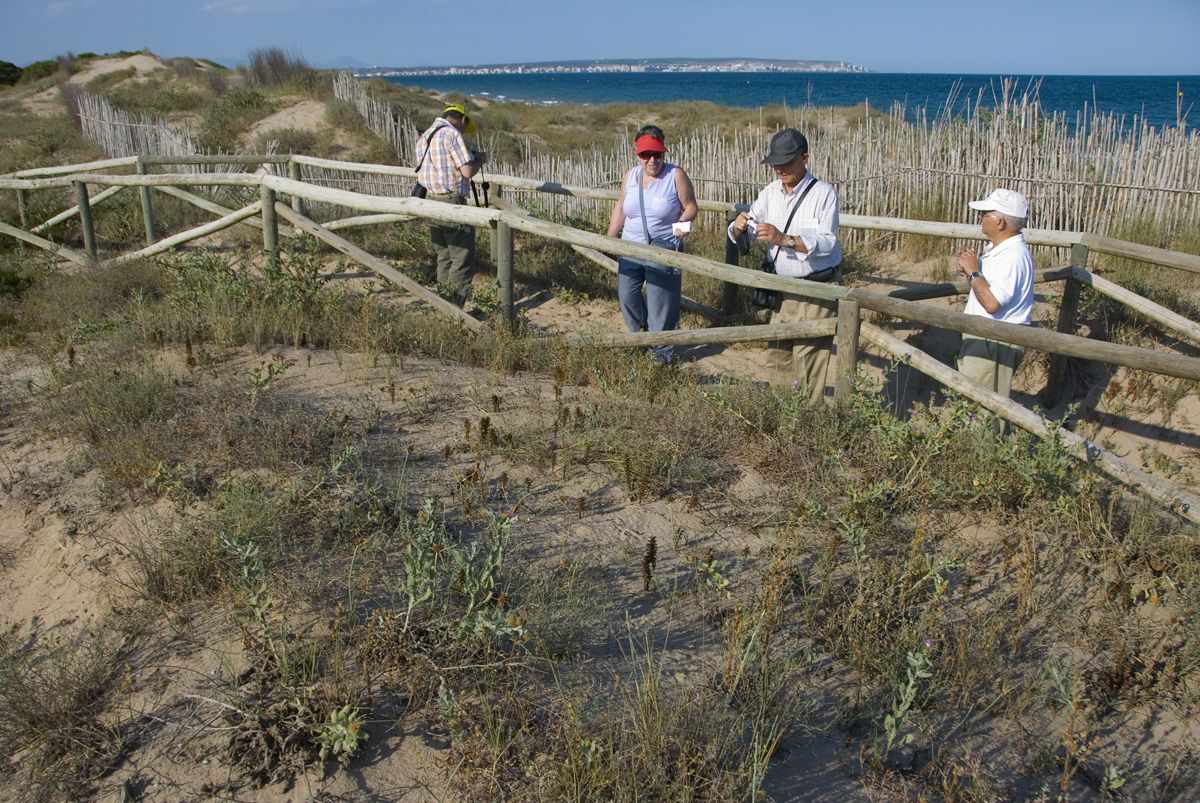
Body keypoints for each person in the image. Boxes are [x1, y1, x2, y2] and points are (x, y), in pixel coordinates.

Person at [729, 129, 843, 393]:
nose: (779, 168)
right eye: (775, 163)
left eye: (786, 162)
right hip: (781, 290)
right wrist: (737, 226)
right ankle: (782, 415)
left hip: (817, 290)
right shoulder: (770, 192)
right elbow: (742, 230)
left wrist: (785, 239)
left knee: (809, 360)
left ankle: (806, 423)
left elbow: (828, 242)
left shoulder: (824, 194)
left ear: (805, 159)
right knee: (778, 354)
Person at [606, 125, 698, 364]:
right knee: (627, 296)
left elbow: (691, 206)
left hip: (662, 247)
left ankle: (661, 357)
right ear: (638, 155)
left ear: (664, 153)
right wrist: (608, 238)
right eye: (646, 154)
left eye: (658, 154)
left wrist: (681, 225)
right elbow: (620, 207)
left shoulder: (675, 175)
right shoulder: (631, 176)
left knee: (661, 304)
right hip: (630, 247)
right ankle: (640, 339)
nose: (652, 160)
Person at [955, 188, 1035, 399]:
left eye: (984, 214)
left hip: (995, 340)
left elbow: (992, 303)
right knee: (975, 404)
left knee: (983, 408)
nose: (980, 218)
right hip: (987, 337)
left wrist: (973, 271)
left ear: (1000, 222)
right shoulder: (1000, 250)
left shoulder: (1013, 256)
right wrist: (970, 272)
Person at [415, 103, 487, 306]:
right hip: (452, 202)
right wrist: (479, 160)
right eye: (465, 127)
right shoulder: (451, 134)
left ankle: (442, 304)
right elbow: (467, 171)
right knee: (462, 258)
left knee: (444, 257)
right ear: (462, 120)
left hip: (431, 202)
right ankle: (453, 309)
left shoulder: (426, 136)